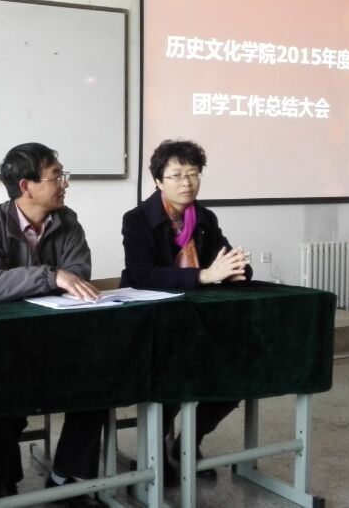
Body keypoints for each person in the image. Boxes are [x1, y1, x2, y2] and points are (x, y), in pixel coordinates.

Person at [0, 143, 104, 506]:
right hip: (7, 344)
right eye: (56, 176)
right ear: (26, 186)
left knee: (102, 380)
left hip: (61, 338)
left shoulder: (68, 221)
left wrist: (52, 279)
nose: (65, 183)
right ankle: (6, 474)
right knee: (1, 392)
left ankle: (65, 475)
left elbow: (79, 275)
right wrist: (51, 276)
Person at [120, 139, 251, 481]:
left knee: (238, 374)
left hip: (199, 321)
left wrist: (236, 270)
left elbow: (224, 258)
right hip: (151, 324)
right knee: (174, 378)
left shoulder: (204, 218)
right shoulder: (137, 220)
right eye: (176, 175)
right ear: (158, 181)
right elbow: (142, 275)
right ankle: (154, 453)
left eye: (193, 174)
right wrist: (204, 275)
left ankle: (189, 442)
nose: (186, 183)